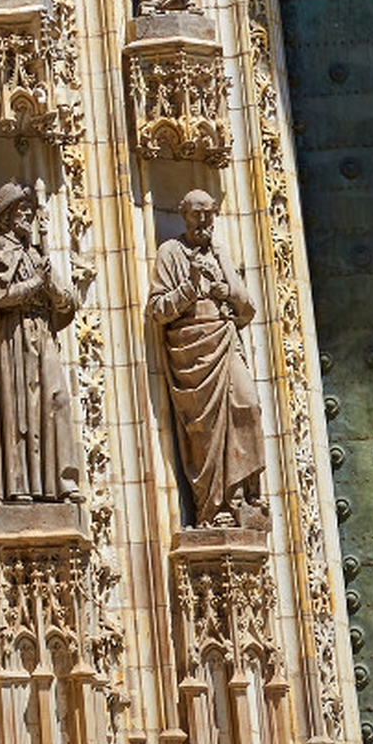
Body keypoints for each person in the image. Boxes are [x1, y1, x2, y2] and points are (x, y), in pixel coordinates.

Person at [149, 190, 266, 525]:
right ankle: (216, 508)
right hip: (193, 353)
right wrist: (190, 286)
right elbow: (158, 311)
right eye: (196, 214)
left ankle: (246, 496)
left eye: (209, 214)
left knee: (248, 405)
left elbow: (247, 309)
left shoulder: (219, 252)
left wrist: (223, 286)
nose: (203, 221)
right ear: (183, 215)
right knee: (206, 430)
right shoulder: (170, 253)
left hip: (225, 339)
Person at [0, 182, 81, 505]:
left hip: (43, 331)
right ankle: (20, 484)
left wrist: (50, 287)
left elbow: (68, 301)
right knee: (20, 409)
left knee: (58, 400)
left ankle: (62, 482)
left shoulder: (37, 254)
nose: (27, 217)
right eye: (21, 211)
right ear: (6, 216)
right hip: (13, 335)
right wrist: (35, 283)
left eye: (30, 212)